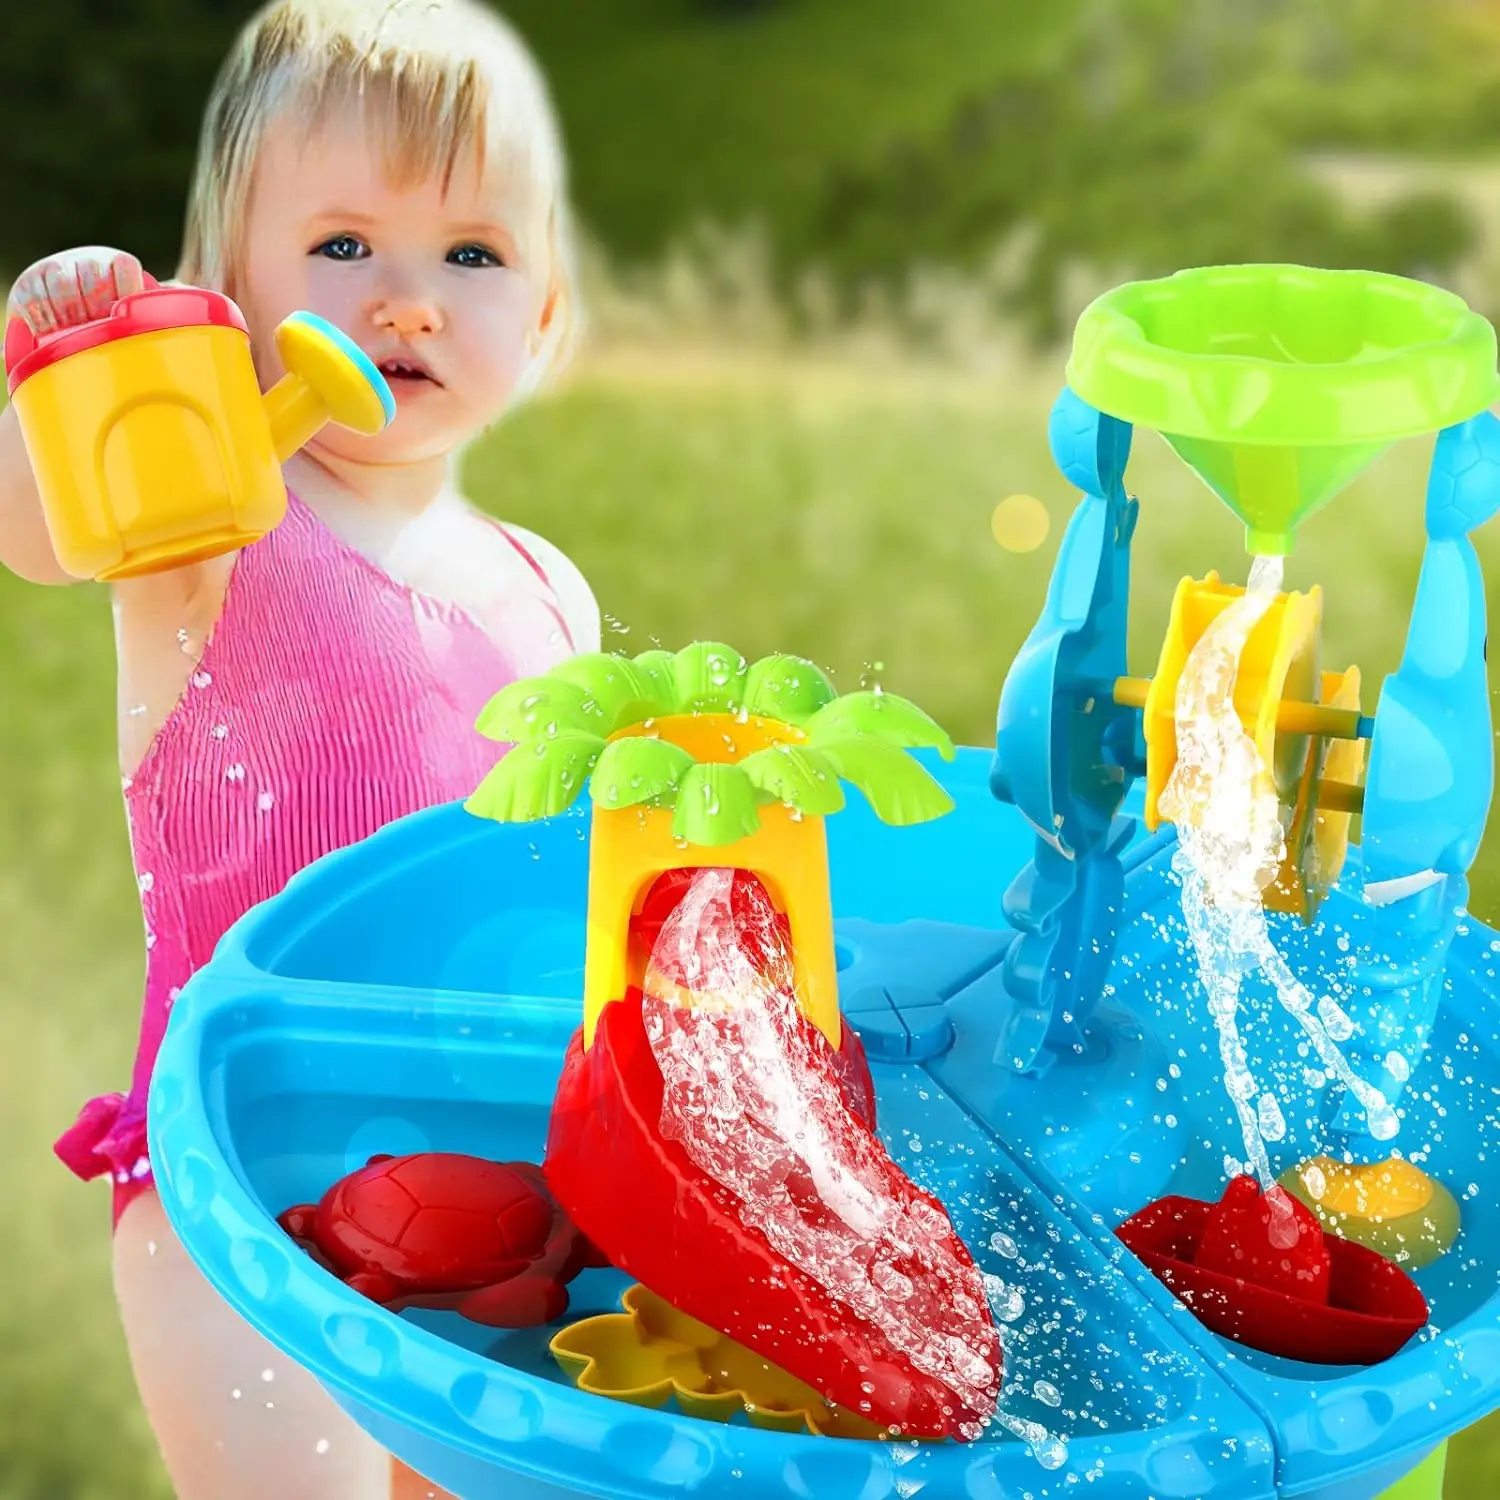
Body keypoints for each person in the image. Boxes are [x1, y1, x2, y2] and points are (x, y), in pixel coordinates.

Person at [0, 2, 599, 1495]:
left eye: (472, 254)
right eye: (342, 248)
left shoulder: (548, 586)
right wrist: (70, 345)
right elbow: (40, 522)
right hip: (246, 1184)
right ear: (227, 300)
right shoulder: (200, 526)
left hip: (508, 1187)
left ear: (545, 315)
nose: (406, 301)